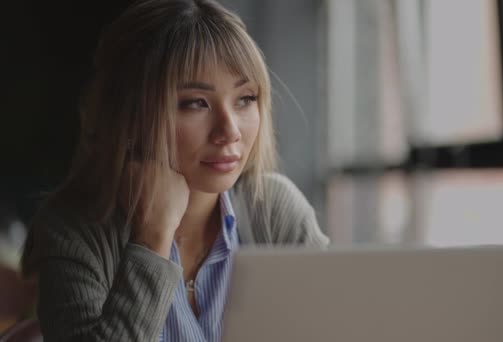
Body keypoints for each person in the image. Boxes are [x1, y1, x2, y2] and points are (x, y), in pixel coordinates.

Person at [20, 1, 329, 341]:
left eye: (245, 98)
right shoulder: (72, 232)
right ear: (131, 114)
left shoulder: (274, 211)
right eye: (195, 102)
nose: (229, 130)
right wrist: (152, 242)